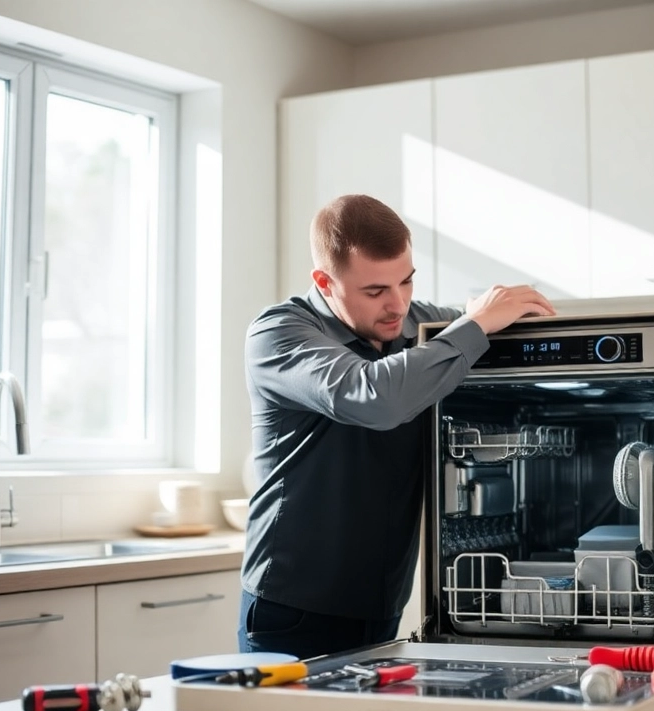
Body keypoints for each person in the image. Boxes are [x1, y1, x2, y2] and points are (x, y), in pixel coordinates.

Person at [238, 193, 556, 660]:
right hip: (293, 611)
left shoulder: (417, 324)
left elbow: (465, 329)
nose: (397, 305)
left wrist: (485, 316)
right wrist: (474, 323)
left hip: (383, 606)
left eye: (406, 282)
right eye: (375, 291)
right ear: (324, 282)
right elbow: (375, 396)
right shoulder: (279, 334)